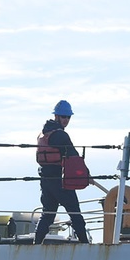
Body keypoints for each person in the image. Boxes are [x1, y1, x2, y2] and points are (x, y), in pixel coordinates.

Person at [34, 99, 90, 244]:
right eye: (64, 117)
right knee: (75, 212)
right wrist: (86, 174)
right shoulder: (61, 135)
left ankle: (36, 243)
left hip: (46, 181)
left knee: (47, 214)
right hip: (60, 180)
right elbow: (74, 156)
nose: (66, 120)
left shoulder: (43, 134)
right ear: (57, 116)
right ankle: (85, 244)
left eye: (68, 117)